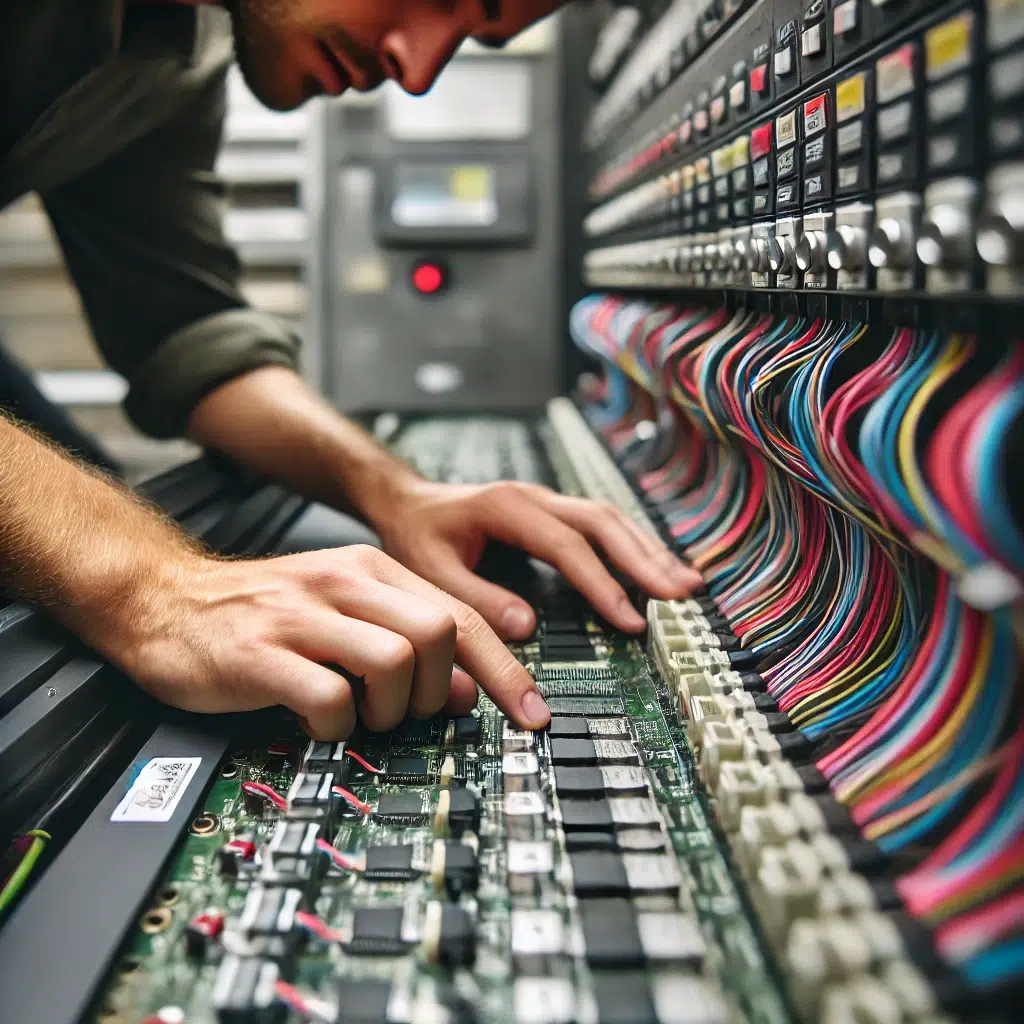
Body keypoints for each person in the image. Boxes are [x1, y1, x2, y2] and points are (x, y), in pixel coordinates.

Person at [0, 0, 701, 741]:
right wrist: (150, 587)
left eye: (472, 37)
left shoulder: (173, 58)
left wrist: (393, 491)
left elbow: (182, 329)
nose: (421, 71)